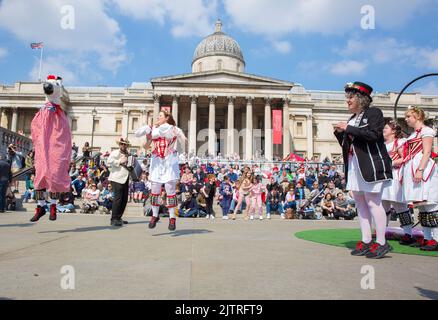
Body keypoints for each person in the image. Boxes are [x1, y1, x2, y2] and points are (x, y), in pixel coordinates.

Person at [334, 81, 393, 259]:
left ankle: (382, 242)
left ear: (360, 98)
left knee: (374, 203)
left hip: (371, 164)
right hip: (355, 165)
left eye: (350, 97)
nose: (348, 101)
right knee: (360, 203)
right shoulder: (352, 119)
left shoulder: (374, 113)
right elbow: (349, 145)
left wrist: (349, 128)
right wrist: (340, 133)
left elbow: (374, 135)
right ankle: (366, 240)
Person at [135, 110, 187, 231]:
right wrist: (148, 137)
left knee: (170, 189)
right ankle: (154, 215)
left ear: (166, 118)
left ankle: (172, 218)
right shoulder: (153, 129)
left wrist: (181, 138)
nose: (157, 117)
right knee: (155, 189)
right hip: (157, 161)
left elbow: (183, 139)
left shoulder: (173, 129)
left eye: (160, 116)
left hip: (169, 161)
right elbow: (146, 146)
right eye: (158, 116)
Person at [30, 75, 72, 222]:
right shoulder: (43, 110)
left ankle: (53, 206)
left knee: (54, 175)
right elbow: (36, 128)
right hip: (43, 146)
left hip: (53, 146)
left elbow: (64, 133)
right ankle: (40, 206)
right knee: (40, 176)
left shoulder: (59, 113)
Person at [401, 106, 438, 251]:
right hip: (413, 168)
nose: (406, 119)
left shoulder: (427, 131)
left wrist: (420, 170)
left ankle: (435, 239)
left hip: (423, 168)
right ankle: (427, 238)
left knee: (431, 203)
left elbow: (427, 151)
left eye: (409, 116)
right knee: (422, 205)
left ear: (417, 116)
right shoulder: (412, 135)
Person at [381, 121, 414, 245]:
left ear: (393, 131)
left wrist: (391, 163)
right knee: (383, 205)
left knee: (400, 204)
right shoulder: (382, 144)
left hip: (395, 175)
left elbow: (405, 157)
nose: (383, 129)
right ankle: (381, 232)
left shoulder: (399, 142)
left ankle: (408, 233)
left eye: (386, 128)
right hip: (384, 177)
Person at [107, 137, 131, 227]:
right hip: (117, 177)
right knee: (118, 199)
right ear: (119, 144)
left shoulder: (128, 154)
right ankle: (113, 219)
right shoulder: (115, 152)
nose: (123, 145)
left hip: (126, 177)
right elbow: (109, 161)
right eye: (122, 144)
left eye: (125, 144)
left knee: (124, 199)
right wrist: (120, 161)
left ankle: (118, 217)